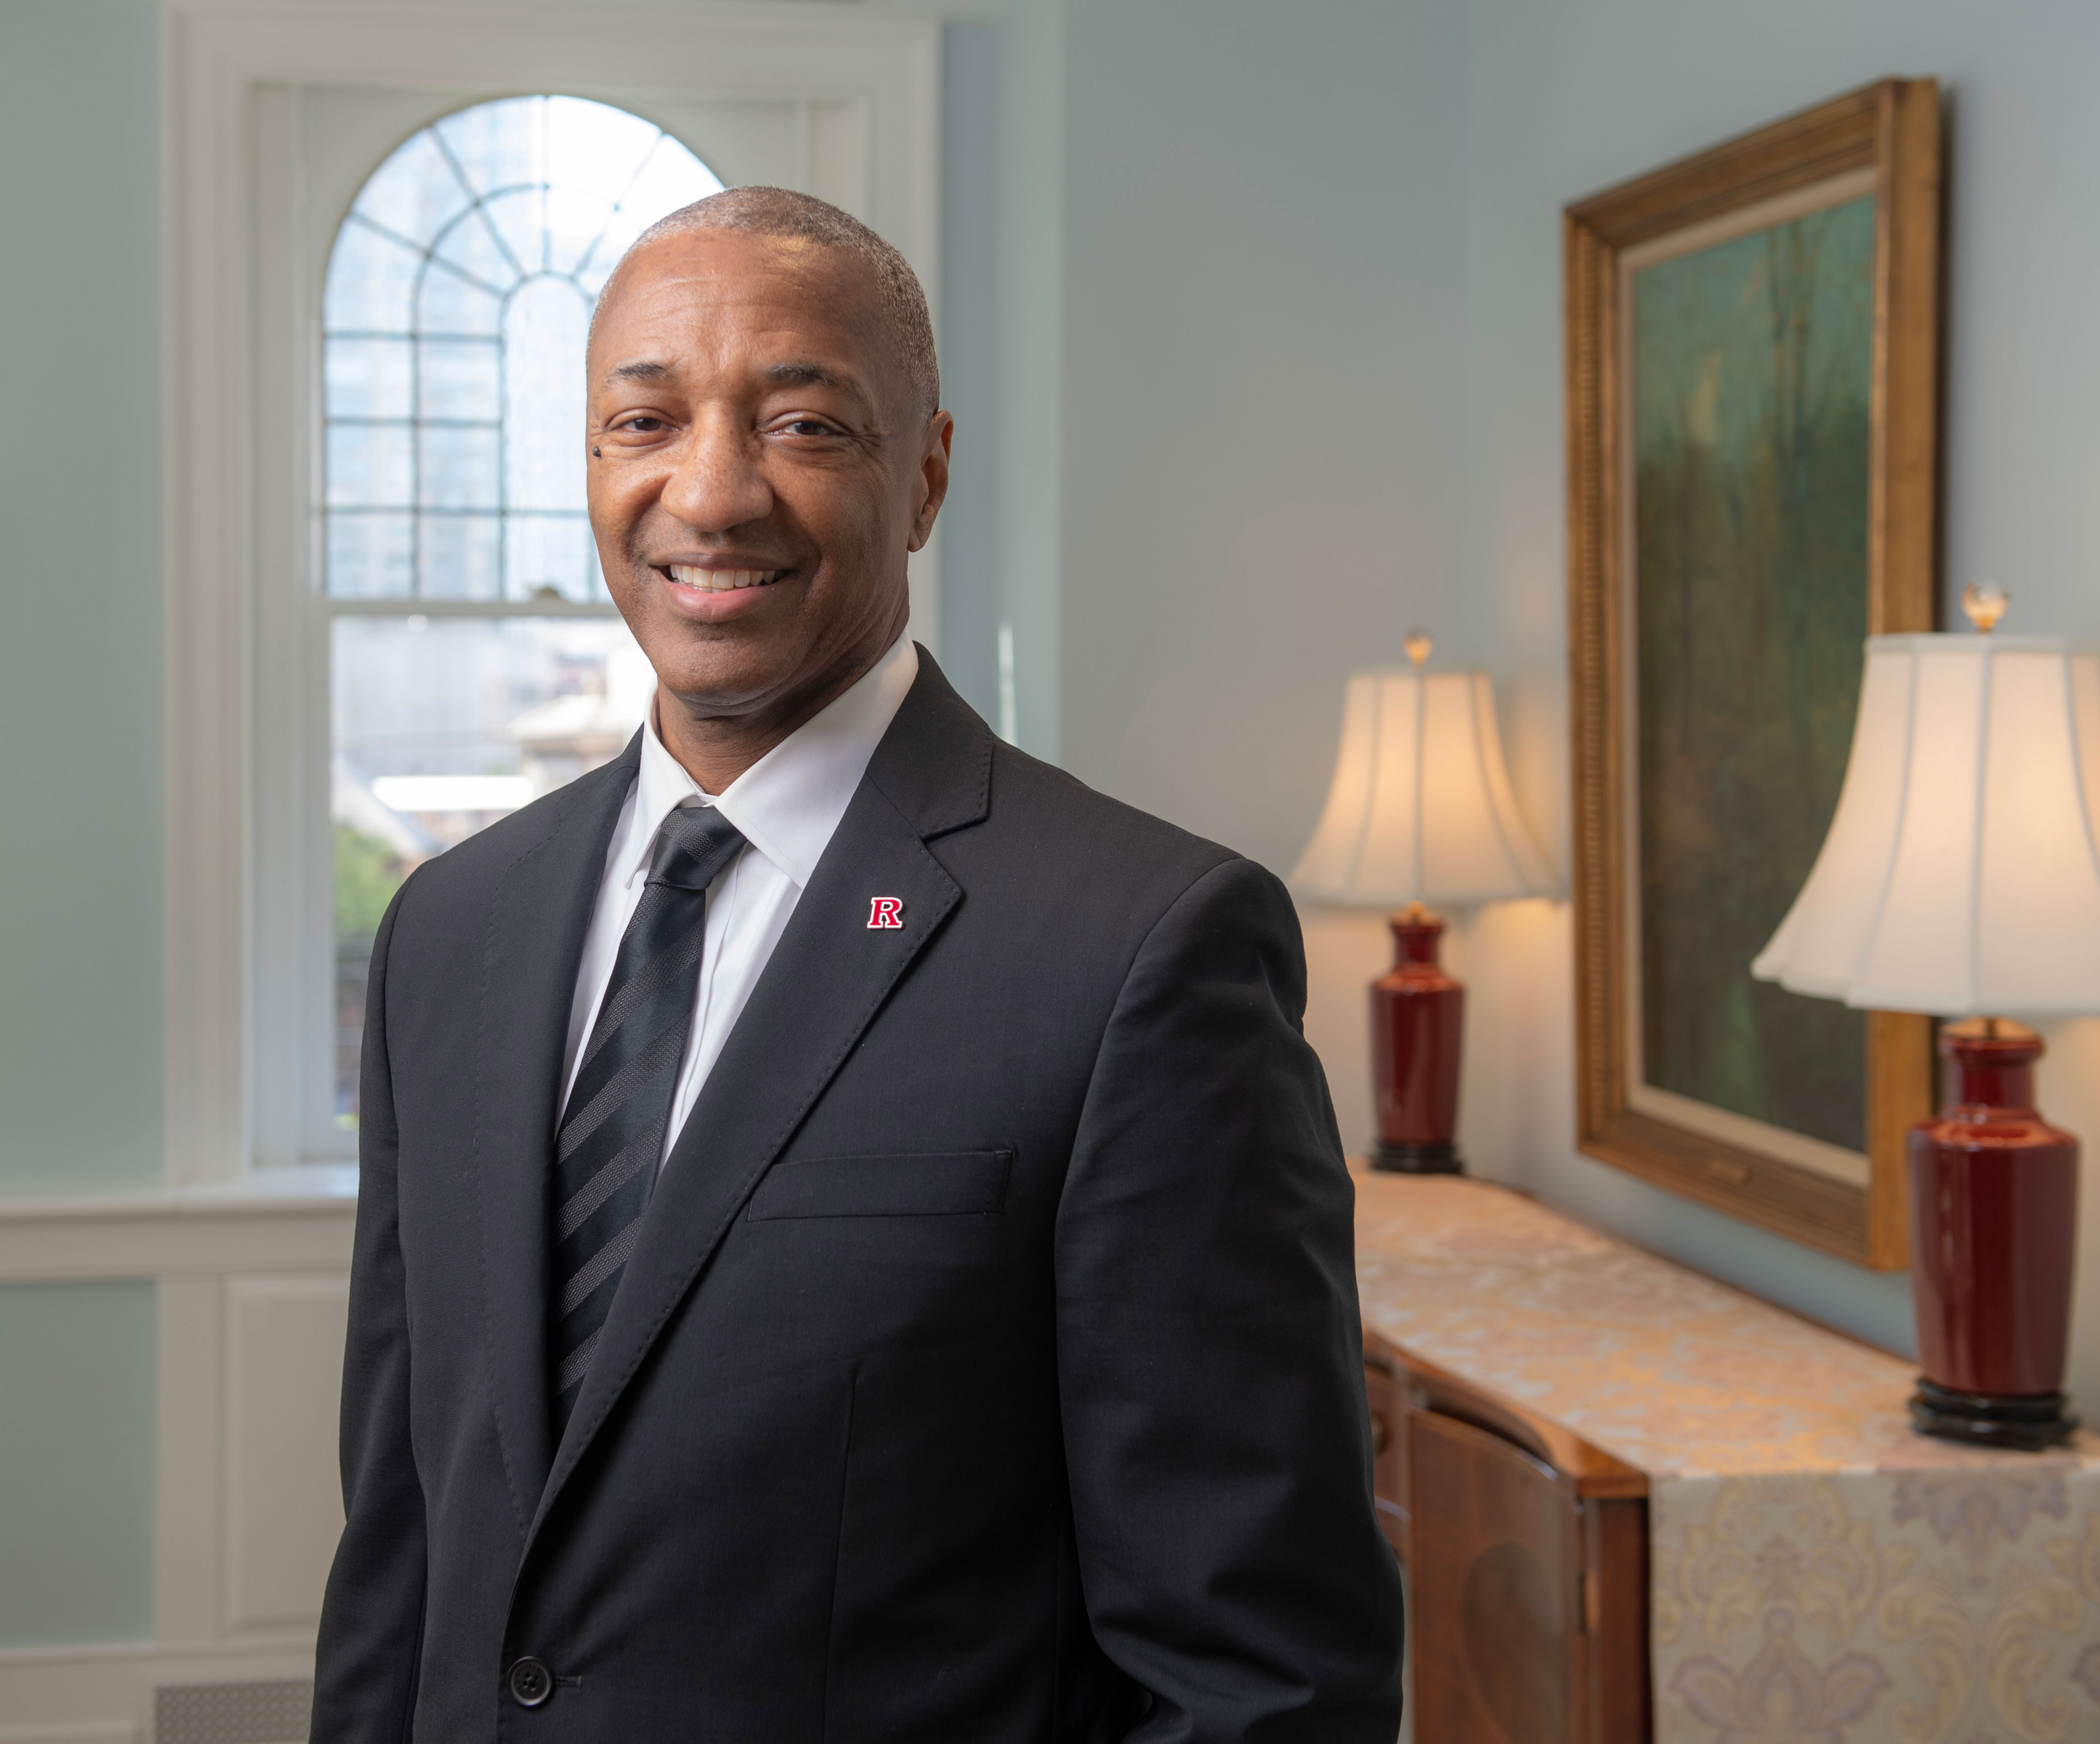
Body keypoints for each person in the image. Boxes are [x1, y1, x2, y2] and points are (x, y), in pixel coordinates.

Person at [311, 186, 1401, 1741]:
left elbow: (1266, 1683)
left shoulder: (1142, 954)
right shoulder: (450, 931)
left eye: (803, 426)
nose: (709, 494)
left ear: (927, 475)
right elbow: (401, 1553)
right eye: (644, 422)